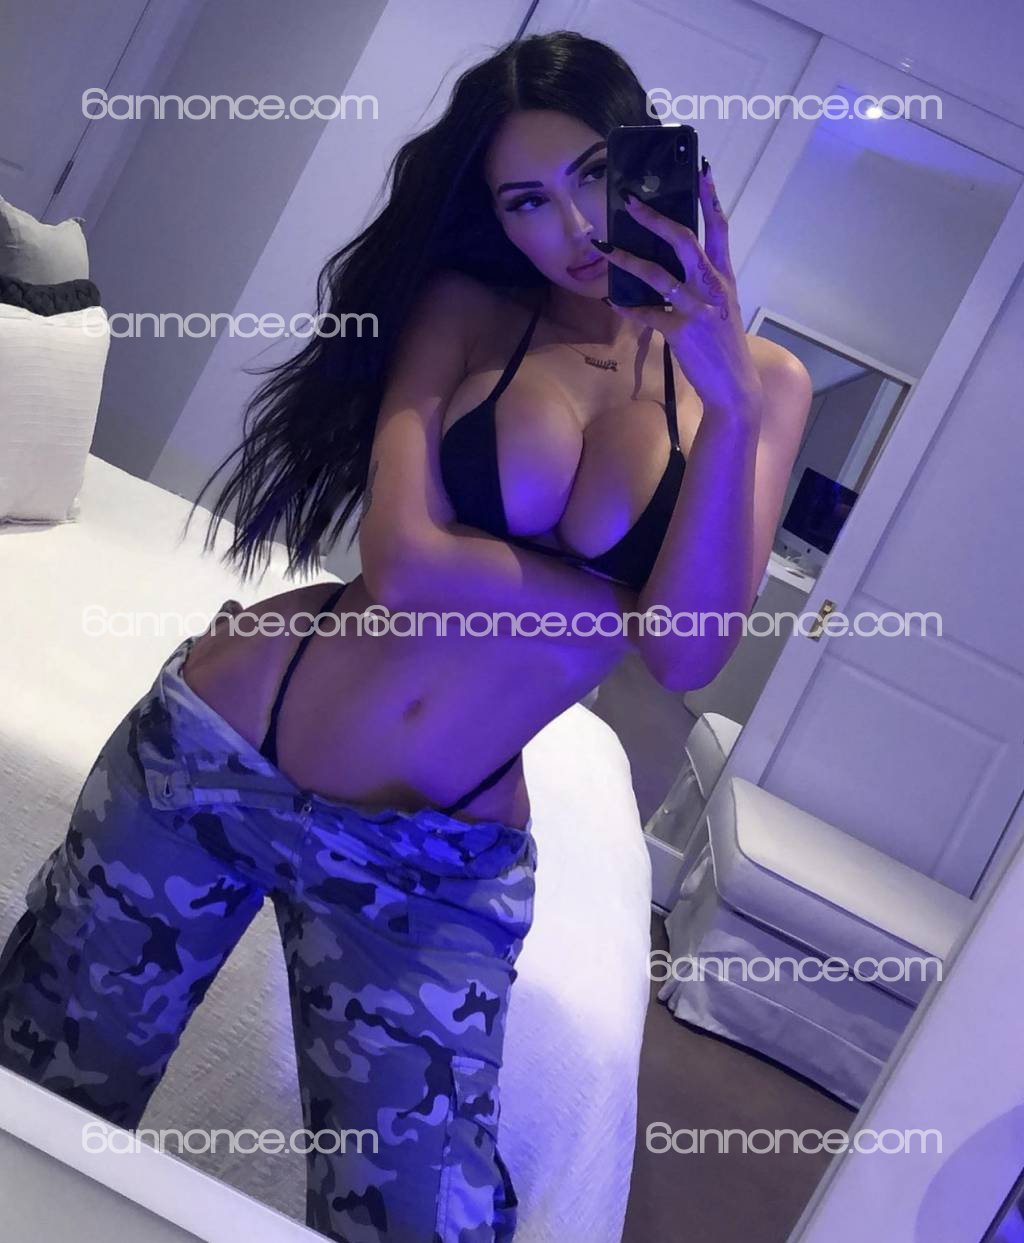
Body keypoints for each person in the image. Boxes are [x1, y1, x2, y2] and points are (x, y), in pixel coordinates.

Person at [0, 29, 811, 1243]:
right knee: (39, 1096)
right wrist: (624, 608)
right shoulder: (467, 310)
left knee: (422, 1218)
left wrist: (729, 405)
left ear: (652, 158)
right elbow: (404, 564)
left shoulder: (762, 386)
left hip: (437, 854)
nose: (571, 227)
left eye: (594, 175)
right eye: (524, 201)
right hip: (222, 752)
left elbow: (689, 654)